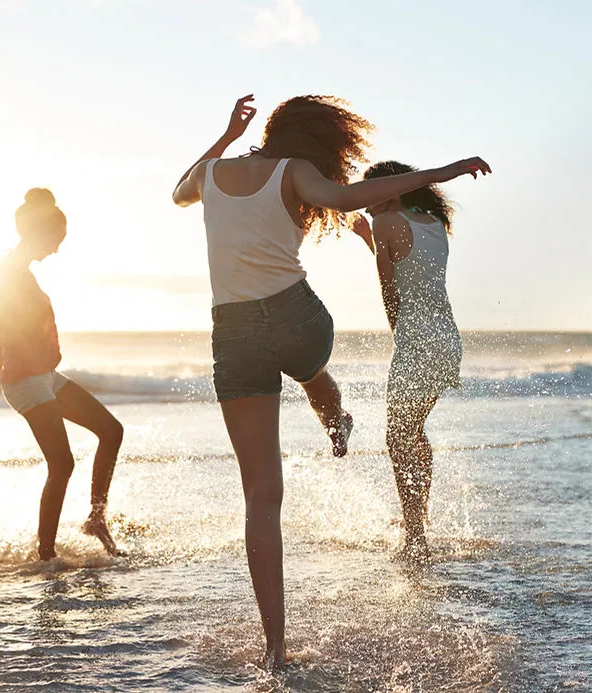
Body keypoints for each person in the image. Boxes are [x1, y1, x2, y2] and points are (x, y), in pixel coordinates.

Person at [172, 94, 490, 669]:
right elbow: (348, 199)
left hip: (234, 335)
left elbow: (178, 193)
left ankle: (274, 647)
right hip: (298, 320)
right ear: (320, 142)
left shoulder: (211, 172)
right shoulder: (297, 172)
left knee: (261, 498)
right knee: (312, 370)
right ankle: (335, 416)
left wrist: (226, 137)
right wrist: (441, 172)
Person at [0, 188, 124, 561]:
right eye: (56, 240)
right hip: (23, 380)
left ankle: (96, 520)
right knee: (62, 463)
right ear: (39, 233)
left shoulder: (21, 271)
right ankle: (46, 555)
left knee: (111, 430)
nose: (56, 249)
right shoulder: (9, 272)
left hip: (44, 375)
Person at [355, 160, 480, 563]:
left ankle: (415, 537)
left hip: (418, 342)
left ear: (391, 191)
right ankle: (418, 518)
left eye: (371, 193)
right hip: (447, 340)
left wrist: (400, 336)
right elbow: (411, 268)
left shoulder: (384, 223)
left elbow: (390, 289)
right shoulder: (433, 222)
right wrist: (368, 239)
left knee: (397, 437)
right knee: (413, 430)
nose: (365, 202)